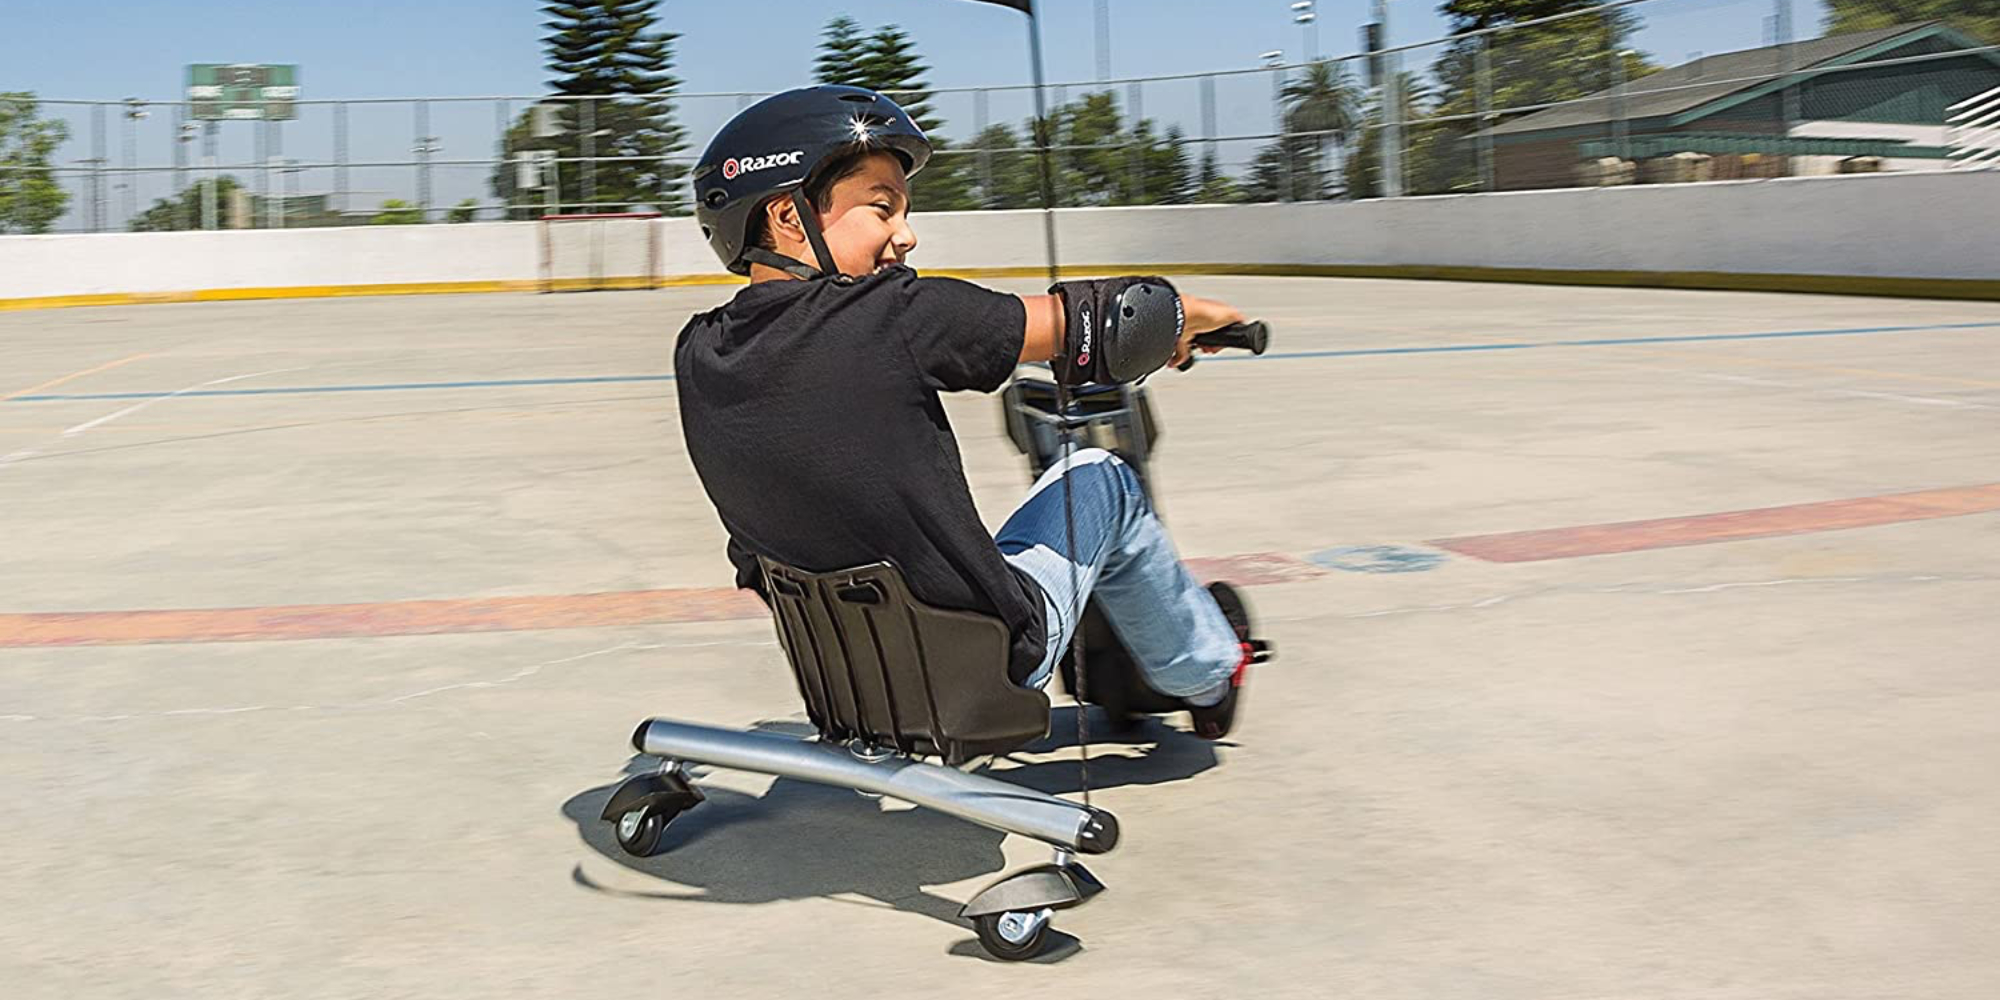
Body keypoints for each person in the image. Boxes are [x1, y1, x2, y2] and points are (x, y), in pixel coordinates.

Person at [674, 86, 1256, 738]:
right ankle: (1210, 671)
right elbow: (1111, 322)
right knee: (1100, 476)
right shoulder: (895, 313)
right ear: (787, 216)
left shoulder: (698, 354)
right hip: (985, 666)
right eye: (881, 209)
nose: (906, 236)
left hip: (844, 679)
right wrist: (1184, 315)